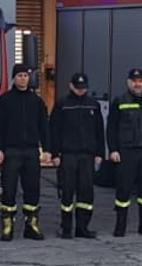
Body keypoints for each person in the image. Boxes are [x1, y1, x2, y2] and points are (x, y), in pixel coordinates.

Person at [0, 63, 49, 241]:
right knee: (9, 190)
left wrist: (48, 150)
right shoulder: (5, 100)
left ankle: (31, 226)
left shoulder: (37, 101)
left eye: (25, 75)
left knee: (32, 189)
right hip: (11, 151)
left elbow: (44, 128)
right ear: (13, 78)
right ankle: (8, 226)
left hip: (31, 151)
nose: (23, 78)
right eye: (19, 76)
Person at [107, 68, 142, 237]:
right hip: (127, 152)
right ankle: (120, 226)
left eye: (140, 81)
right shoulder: (120, 101)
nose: (137, 84)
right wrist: (113, 149)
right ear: (128, 82)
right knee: (123, 190)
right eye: (134, 81)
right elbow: (111, 128)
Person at [48, 72, 104, 239]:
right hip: (68, 155)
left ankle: (83, 228)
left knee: (86, 194)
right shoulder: (62, 104)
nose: (80, 91)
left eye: (83, 88)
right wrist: (54, 153)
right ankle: (66, 228)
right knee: (67, 192)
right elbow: (54, 130)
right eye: (78, 87)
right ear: (71, 86)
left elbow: (99, 130)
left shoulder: (93, 105)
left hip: (87, 155)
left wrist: (100, 153)